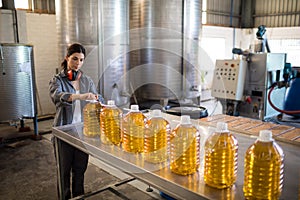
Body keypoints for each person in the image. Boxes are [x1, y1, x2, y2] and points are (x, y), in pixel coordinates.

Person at [49, 43, 104, 199]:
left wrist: (99, 99)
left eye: (81, 60)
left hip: (83, 132)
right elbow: (58, 96)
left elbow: (97, 97)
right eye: (74, 59)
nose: (77, 63)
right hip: (63, 132)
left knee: (80, 170)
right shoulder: (57, 80)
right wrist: (81, 96)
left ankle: (79, 197)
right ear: (67, 58)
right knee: (64, 171)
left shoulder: (86, 80)